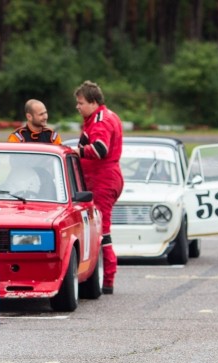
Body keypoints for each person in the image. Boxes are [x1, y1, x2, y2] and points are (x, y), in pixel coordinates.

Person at [74, 80, 124, 295]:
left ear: (93, 103)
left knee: (102, 230)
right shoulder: (99, 117)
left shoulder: (101, 121)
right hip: (102, 178)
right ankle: (101, 275)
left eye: (81, 102)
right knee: (97, 228)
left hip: (103, 179)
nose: (78, 107)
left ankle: (108, 278)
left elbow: (100, 149)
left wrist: (78, 152)